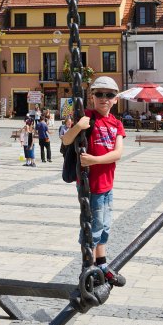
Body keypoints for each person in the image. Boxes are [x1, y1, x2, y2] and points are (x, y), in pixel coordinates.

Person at [61, 75, 126, 287]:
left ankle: (102, 265)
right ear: (92, 97)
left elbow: (117, 154)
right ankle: (88, 268)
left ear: (115, 99)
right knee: (93, 228)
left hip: (107, 185)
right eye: (99, 94)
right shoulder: (87, 117)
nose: (104, 98)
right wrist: (79, 126)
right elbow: (66, 140)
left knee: (104, 227)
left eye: (109, 95)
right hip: (91, 186)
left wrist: (94, 160)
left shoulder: (116, 124)